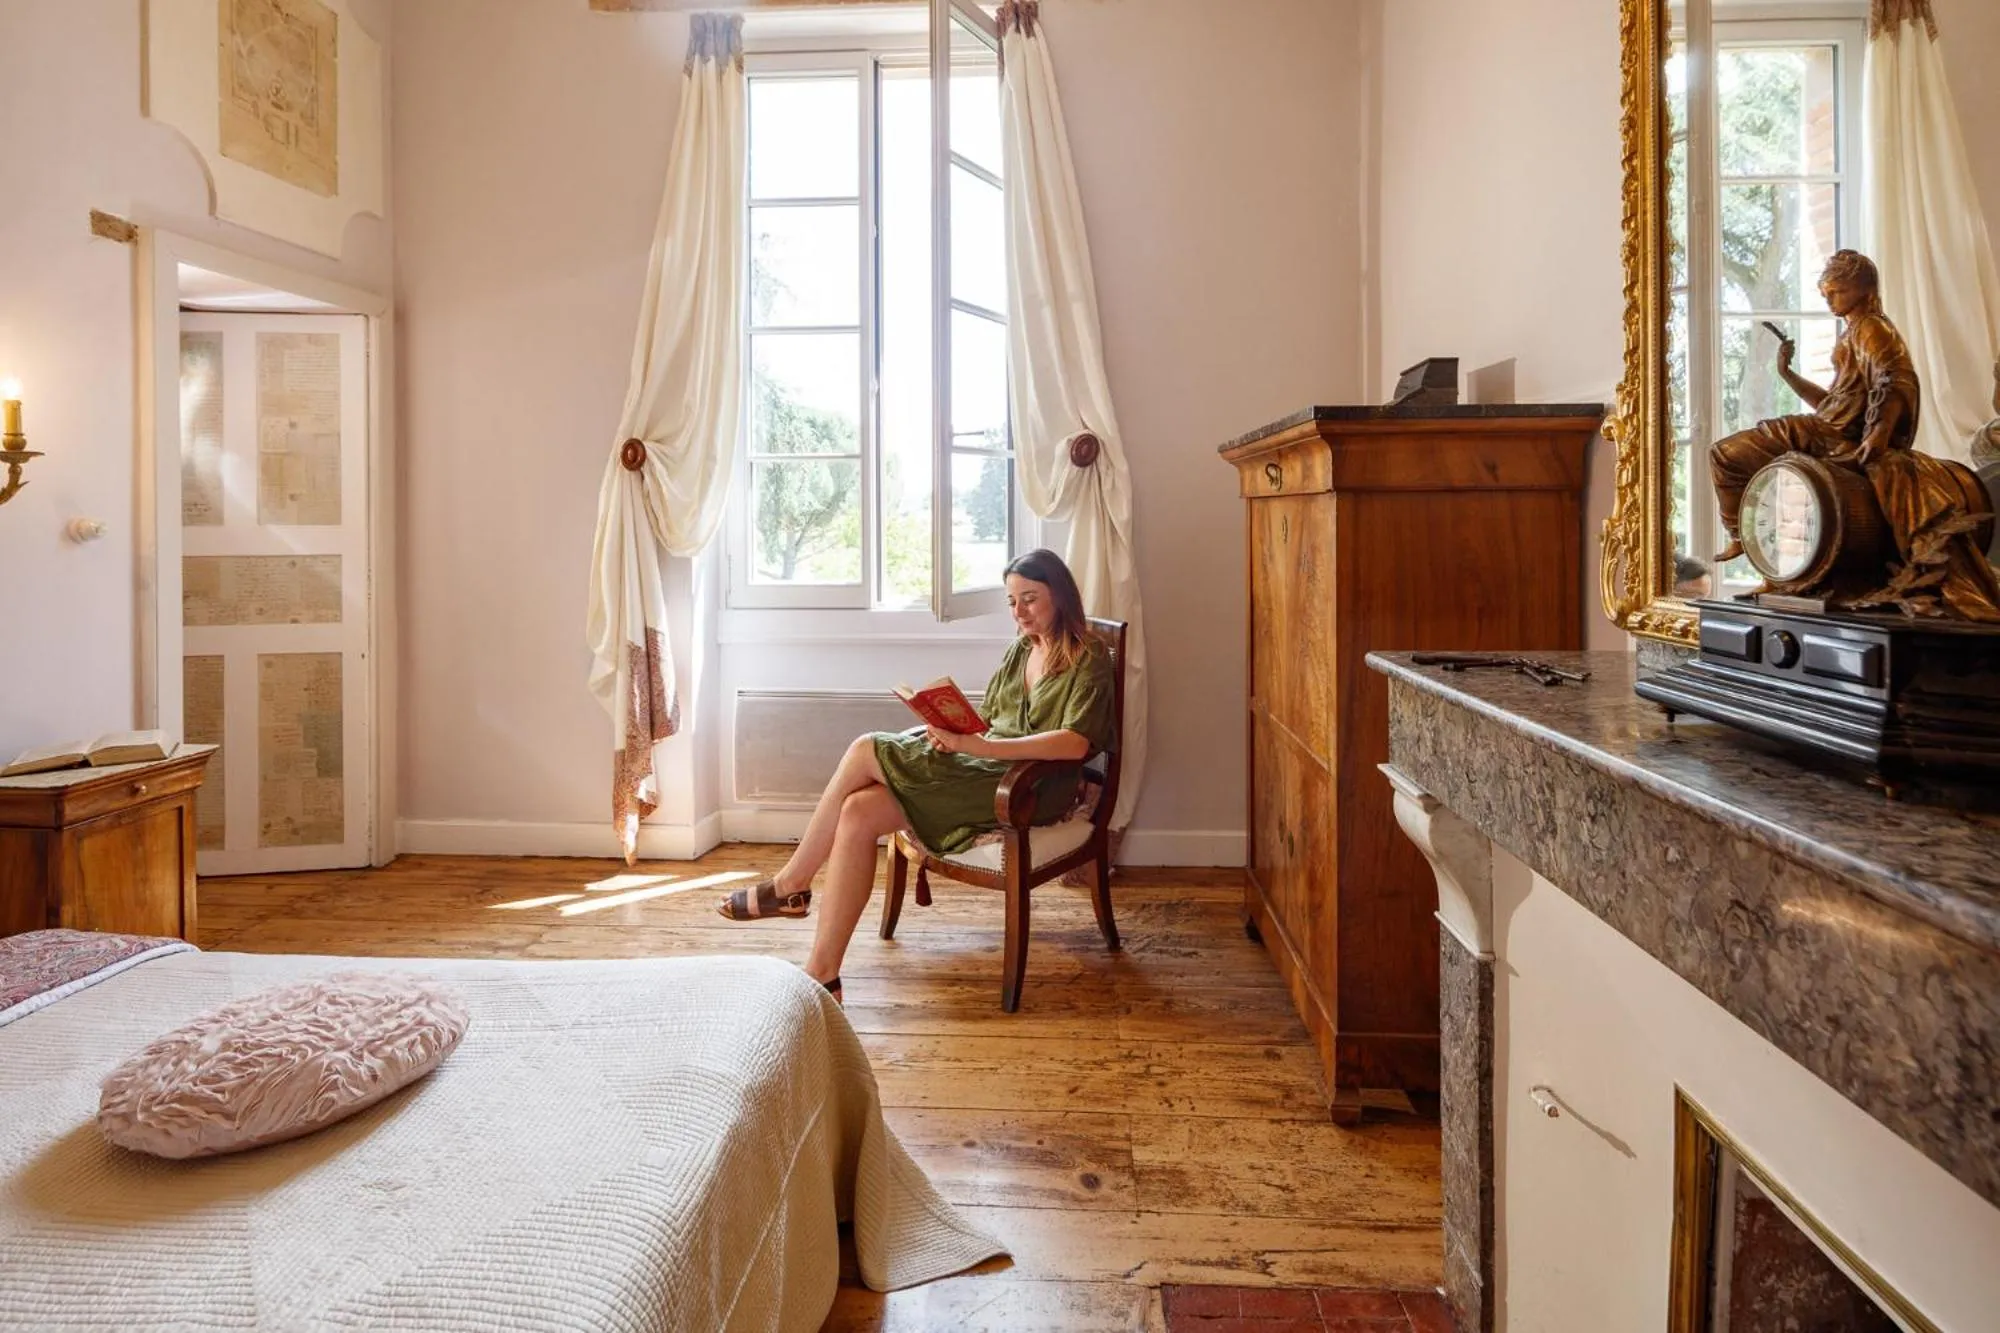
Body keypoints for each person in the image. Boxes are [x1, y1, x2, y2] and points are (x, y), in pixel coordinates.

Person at [715, 548, 1118, 1001]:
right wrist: (953, 731)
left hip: (1030, 787)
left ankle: (790, 885)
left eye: (1030, 599)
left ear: (1059, 595)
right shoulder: (1021, 649)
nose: (1019, 612)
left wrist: (979, 747)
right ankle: (823, 973)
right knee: (858, 811)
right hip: (982, 767)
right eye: (1011, 601)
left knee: (865, 747)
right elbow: (991, 719)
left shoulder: (1089, 655)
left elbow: (1074, 743)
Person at [1708, 249, 2000, 620]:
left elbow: (1895, 378)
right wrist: (1787, 375)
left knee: (1726, 454)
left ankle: (1741, 536)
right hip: (1826, 426)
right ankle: (1753, 547)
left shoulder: (1871, 328)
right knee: (1735, 457)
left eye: (1836, 292)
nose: (1829, 300)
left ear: (1864, 289)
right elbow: (1833, 402)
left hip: (1828, 435)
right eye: (1825, 293)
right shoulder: (1855, 330)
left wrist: (1878, 435)